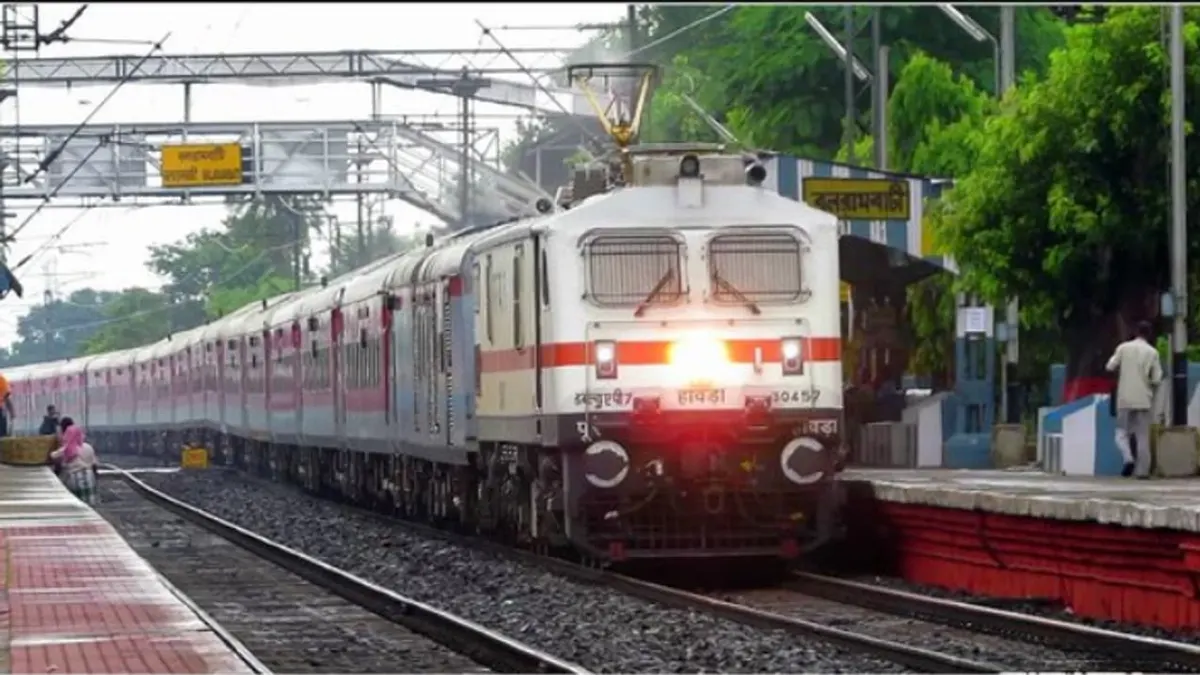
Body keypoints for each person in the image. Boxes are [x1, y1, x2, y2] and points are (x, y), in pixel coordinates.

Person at [1105, 321, 1164, 479]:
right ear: (1149, 334)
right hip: (1144, 399)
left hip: (1124, 398)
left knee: (1120, 434)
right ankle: (1142, 472)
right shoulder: (1153, 352)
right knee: (1142, 436)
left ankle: (1128, 459)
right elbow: (1157, 379)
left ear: (1135, 332)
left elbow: (1110, 366)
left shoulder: (1123, 348)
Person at [50, 424, 98, 505]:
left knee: (77, 503)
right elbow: (94, 464)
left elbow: (53, 456)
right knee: (90, 502)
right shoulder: (88, 447)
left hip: (75, 478)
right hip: (89, 477)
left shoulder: (67, 448)